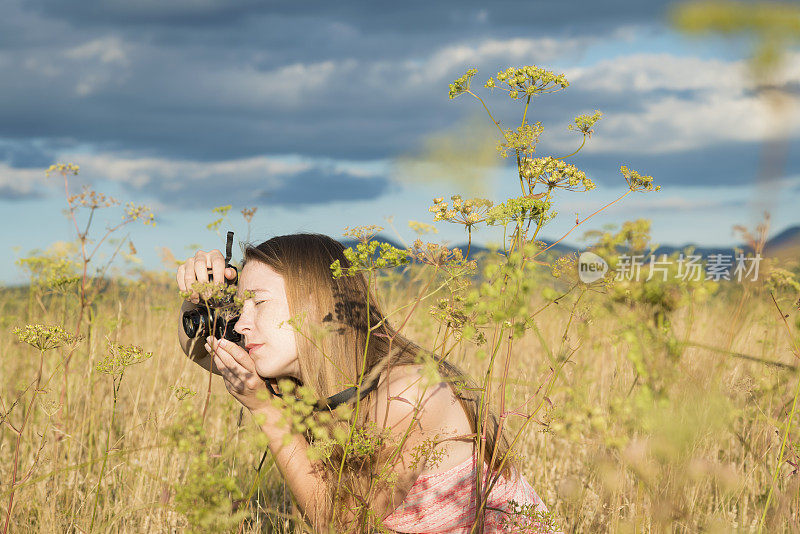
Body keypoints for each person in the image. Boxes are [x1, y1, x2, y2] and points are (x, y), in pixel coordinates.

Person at [176, 233, 554, 533]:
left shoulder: (410, 391)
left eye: (257, 303)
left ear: (316, 304)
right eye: (239, 308)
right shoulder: (296, 374)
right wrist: (196, 300)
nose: (241, 324)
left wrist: (266, 410)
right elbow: (197, 348)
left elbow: (344, 523)